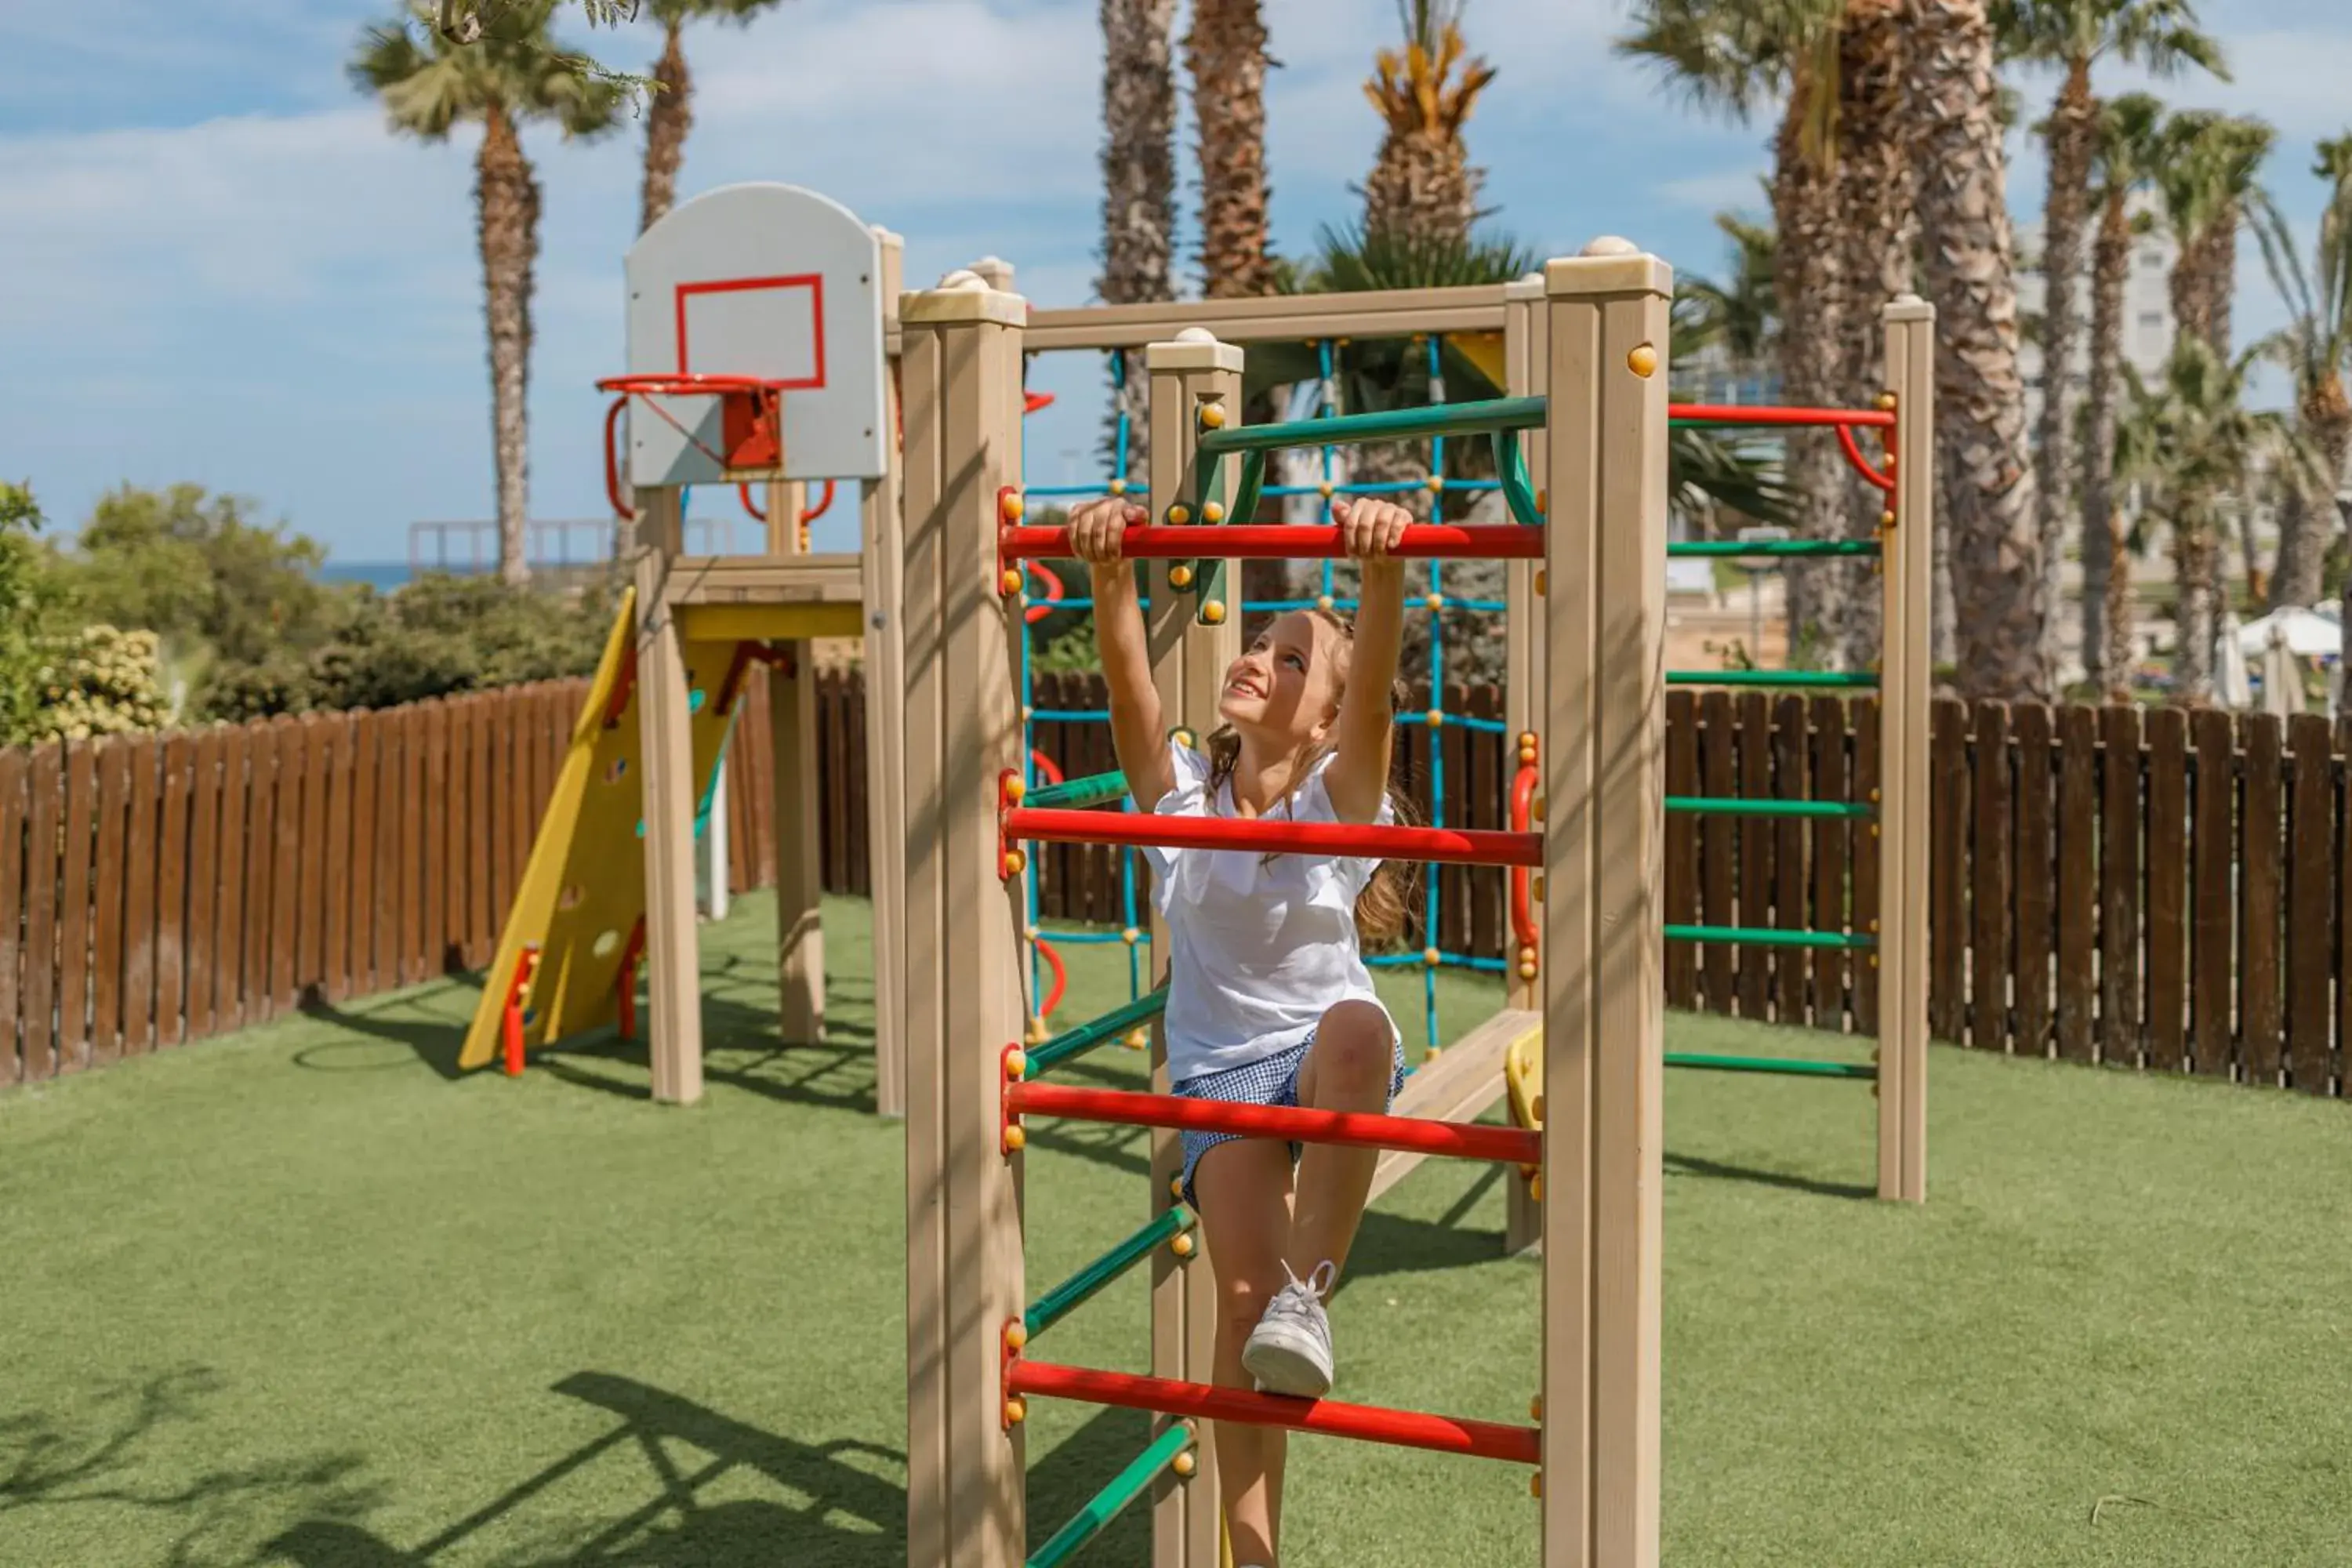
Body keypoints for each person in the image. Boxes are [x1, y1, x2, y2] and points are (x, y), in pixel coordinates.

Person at [1065, 492, 1418, 1568]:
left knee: (1359, 1028)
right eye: (1259, 643)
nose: (1260, 659)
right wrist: (1109, 568)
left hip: (1321, 1053)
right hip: (1223, 1072)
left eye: (1294, 660)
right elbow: (1132, 694)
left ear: (1323, 720)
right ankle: (1254, 1552)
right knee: (1238, 1306)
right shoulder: (1183, 806)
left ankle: (1316, 1293)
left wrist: (1383, 576)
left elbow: (1373, 718)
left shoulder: (1337, 801)